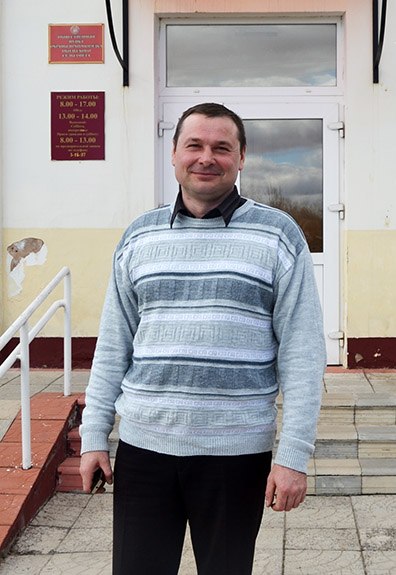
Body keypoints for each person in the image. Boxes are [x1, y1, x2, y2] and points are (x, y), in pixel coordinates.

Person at [80, 102, 326, 575]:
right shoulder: (139, 236)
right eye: (194, 145)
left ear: (241, 157)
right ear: (174, 153)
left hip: (235, 454)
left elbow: (303, 352)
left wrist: (294, 455)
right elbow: (112, 345)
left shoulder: (279, 235)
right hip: (144, 450)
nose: (206, 157)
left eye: (221, 147)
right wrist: (94, 436)